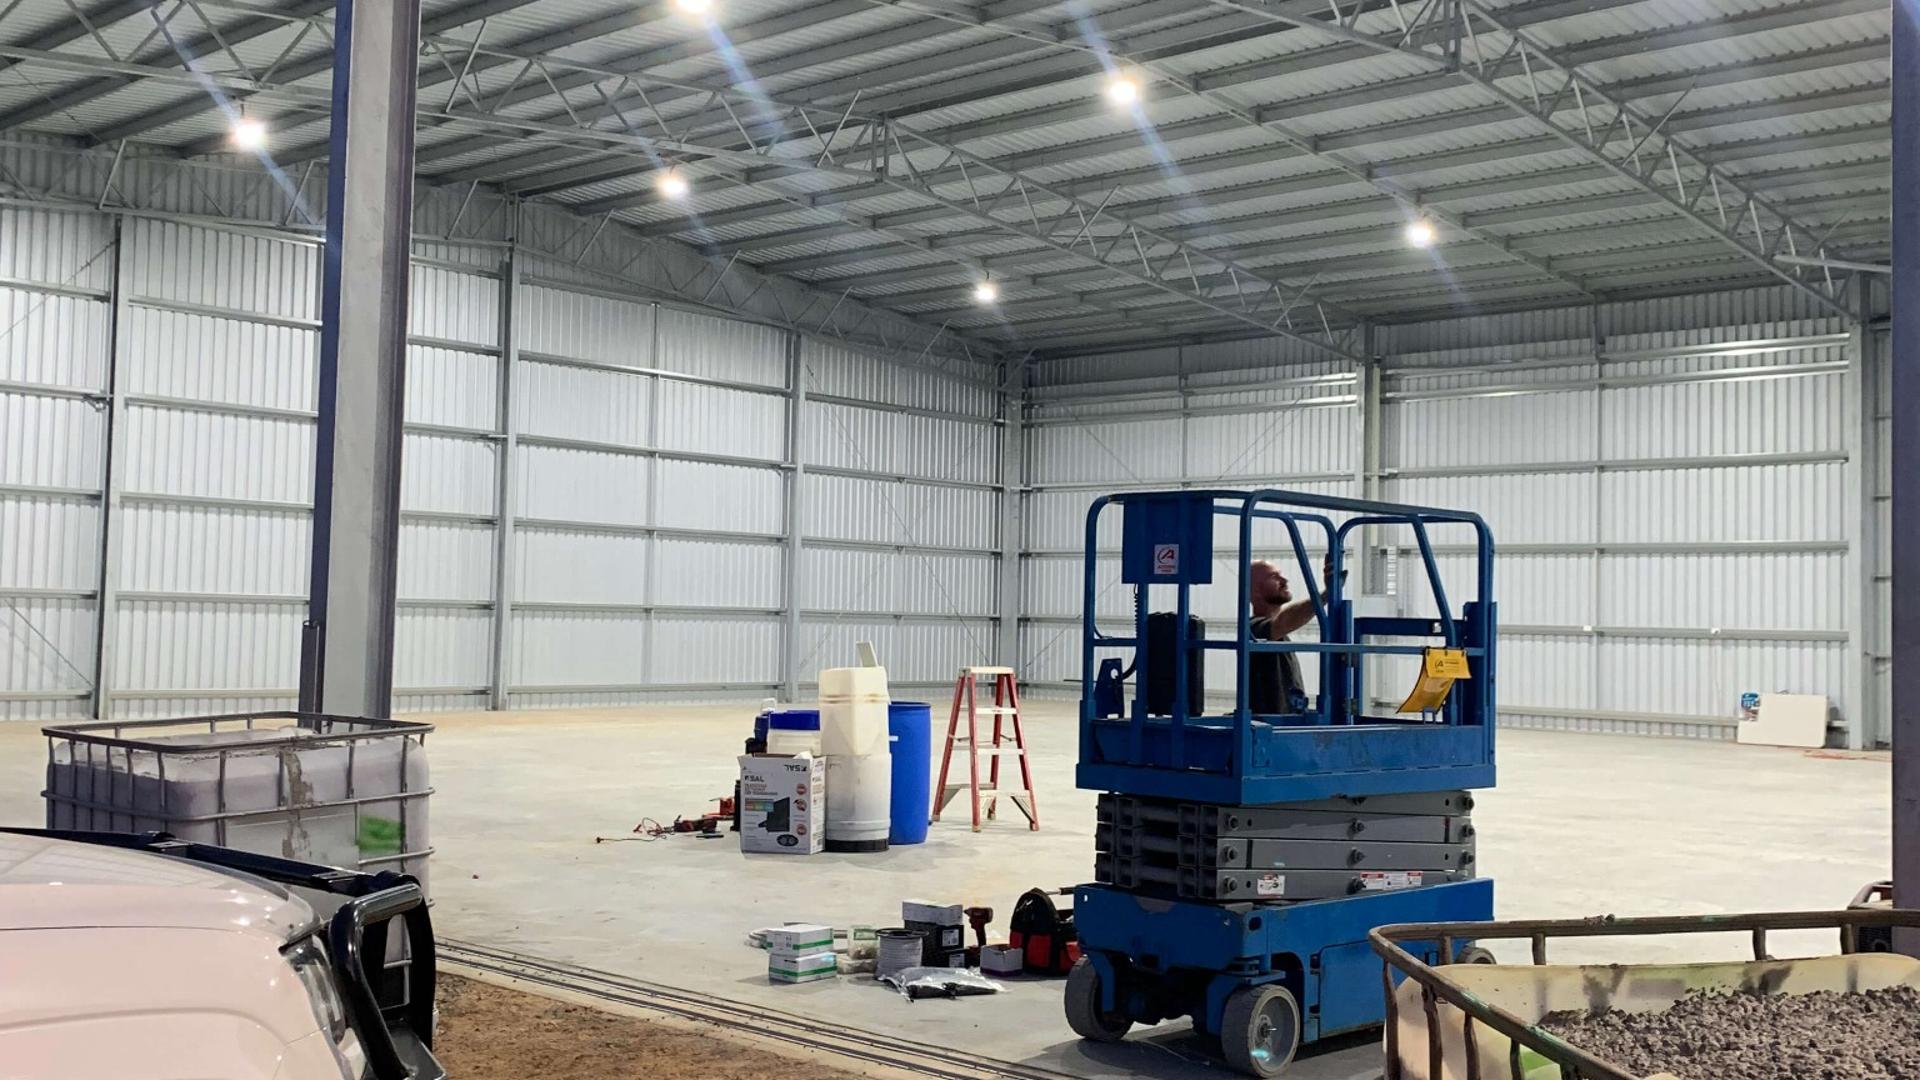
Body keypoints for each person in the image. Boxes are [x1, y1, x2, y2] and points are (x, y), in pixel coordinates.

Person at [1247, 555, 1336, 715]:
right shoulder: (1253, 630)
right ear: (1255, 591)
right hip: (1270, 729)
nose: (1285, 580)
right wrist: (1324, 596)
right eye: (1274, 577)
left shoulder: (1280, 635)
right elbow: (1283, 622)